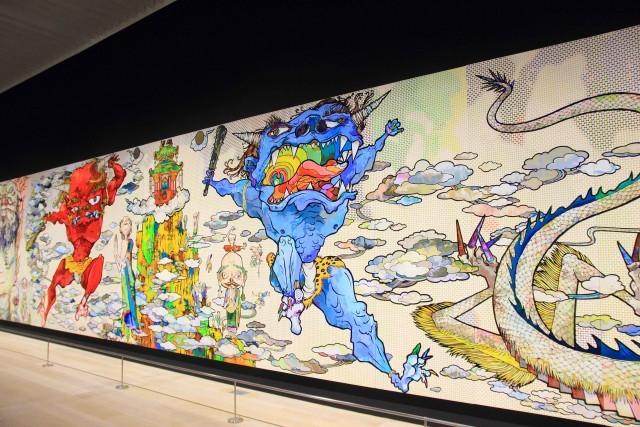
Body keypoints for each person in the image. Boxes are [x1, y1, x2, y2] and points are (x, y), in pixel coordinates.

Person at [114, 216, 142, 338]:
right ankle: (131, 324)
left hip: (129, 268)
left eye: (129, 224)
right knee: (128, 296)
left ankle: (133, 324)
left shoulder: (129, 240)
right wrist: (120, 263)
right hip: (125, 268)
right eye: (125, 224)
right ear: (120, 228)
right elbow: (121, 258)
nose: (127, 226)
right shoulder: (124, 242)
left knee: (132, 294)